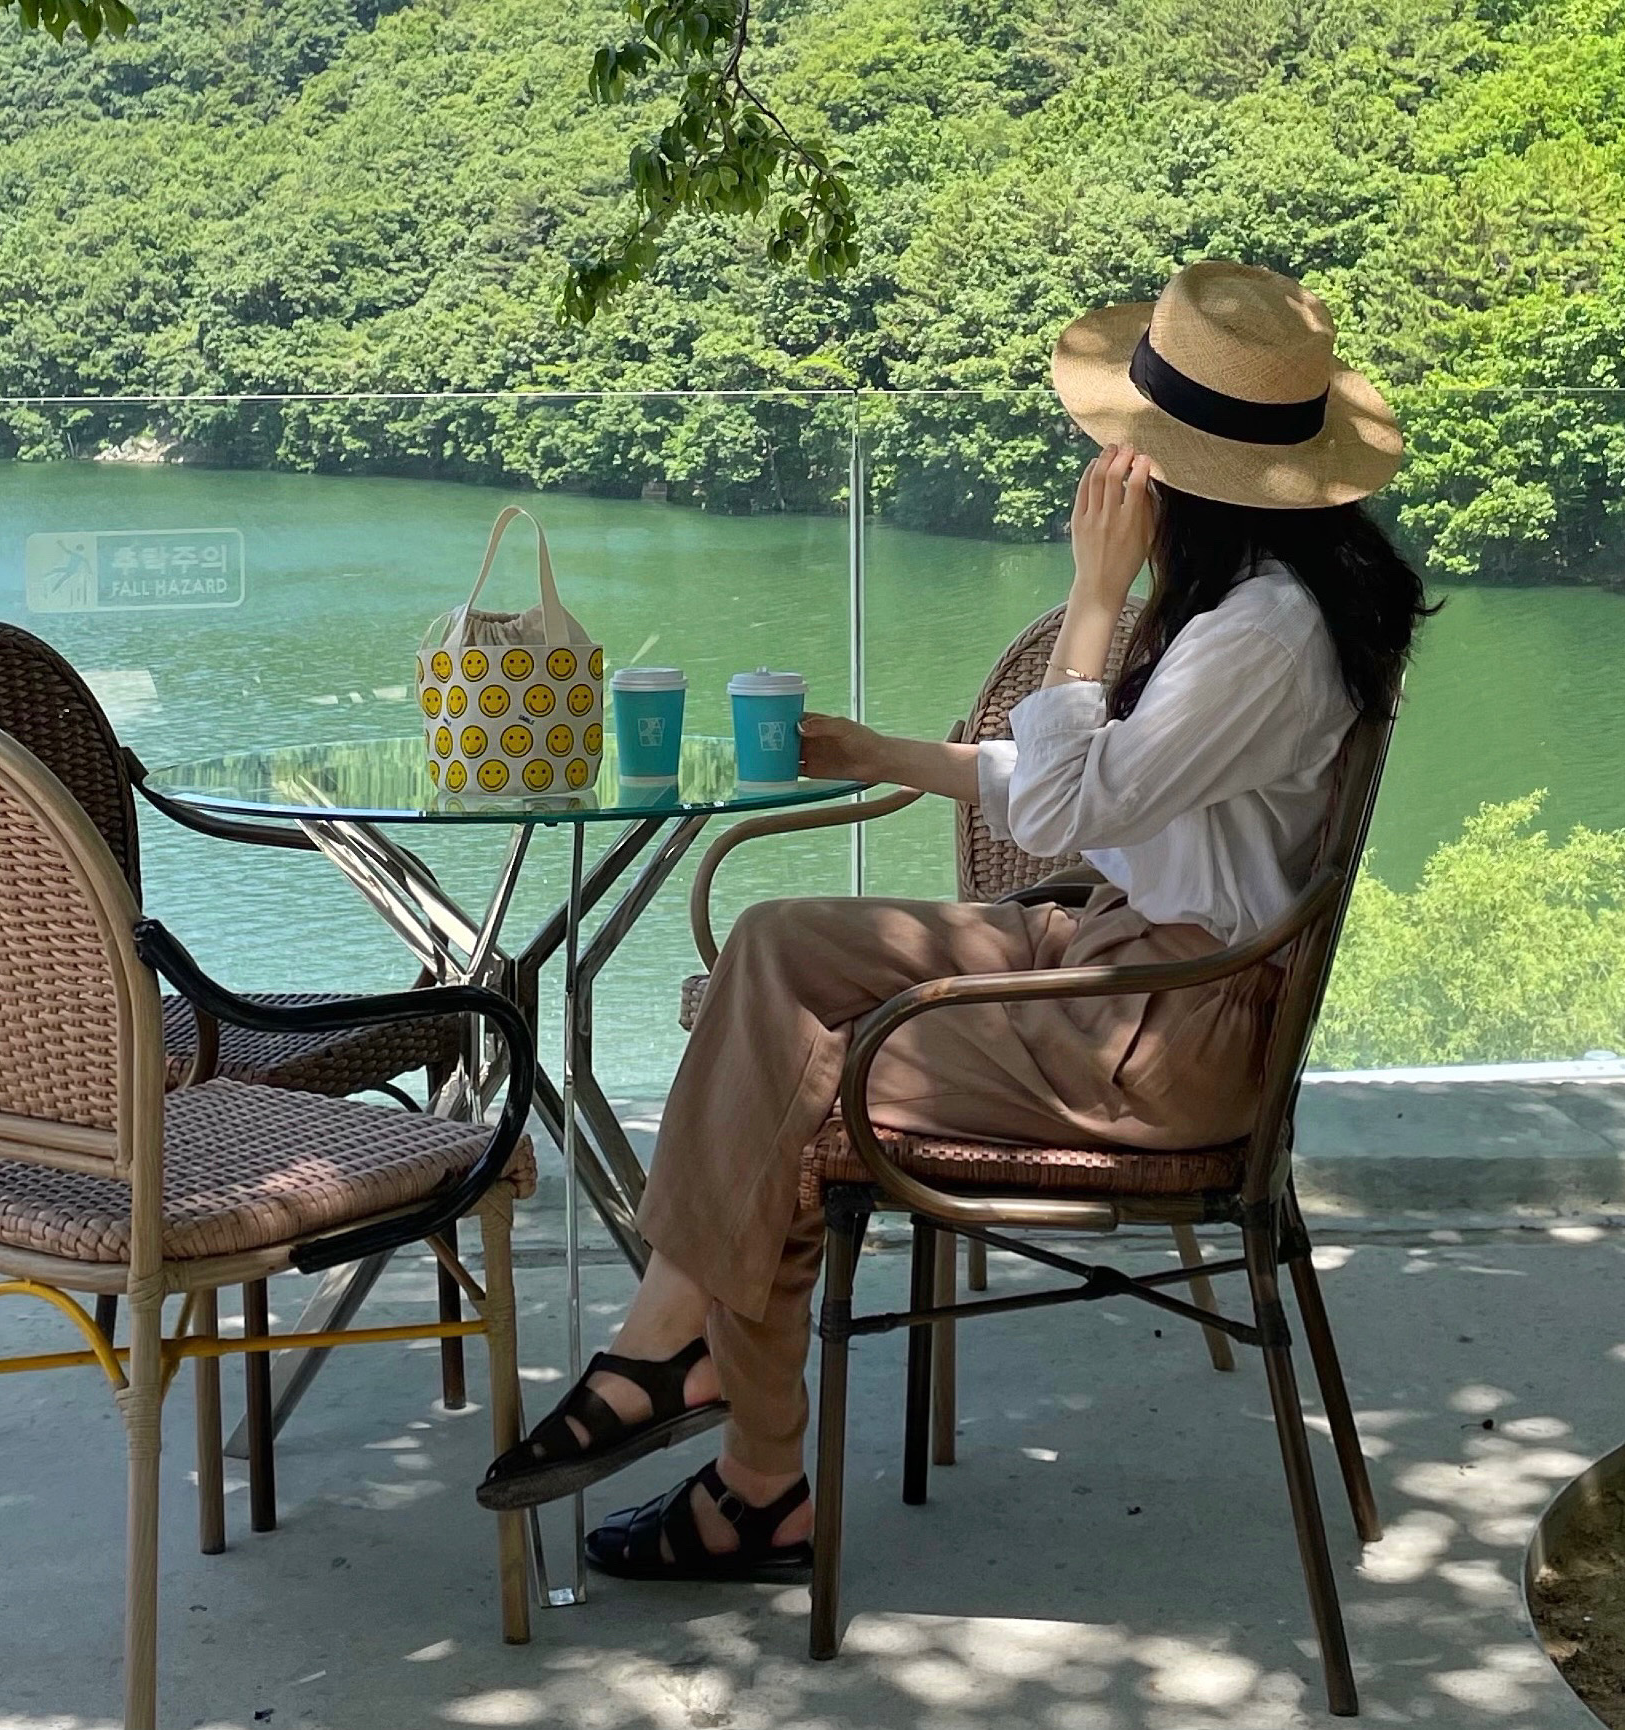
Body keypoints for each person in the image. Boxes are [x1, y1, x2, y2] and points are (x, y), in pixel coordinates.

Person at [474, 258, 1427, 1579]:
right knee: (777, 945)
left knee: (796, 1075)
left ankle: (744, 1457)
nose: (1104, 471)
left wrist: (1092, 596)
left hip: (1162, 1030)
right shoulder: (1247, 598)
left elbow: (1065, 806)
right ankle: (678, 1353)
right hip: (1119, 957)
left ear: (1181, 473)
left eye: (1126, 450)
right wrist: (885, 752)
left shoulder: (1260, 635)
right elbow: (1099, 789)